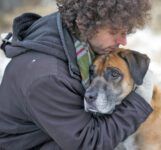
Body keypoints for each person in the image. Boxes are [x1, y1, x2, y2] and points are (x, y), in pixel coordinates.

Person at [0, 0, 152, 149]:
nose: (123, 41)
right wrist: (138, 102)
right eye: (114, 32)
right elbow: (90, 143)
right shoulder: (48, 77)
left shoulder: (70, 37)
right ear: (86, 23)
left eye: (125, 32)